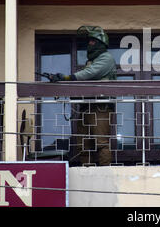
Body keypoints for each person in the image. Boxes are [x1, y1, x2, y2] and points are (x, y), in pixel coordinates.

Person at [49, 26, 117, 166]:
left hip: (100, 108)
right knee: (83, 145)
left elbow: (89, 74)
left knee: (101, 143)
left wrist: (68, 77)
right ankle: (86, 171)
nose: (89, 44)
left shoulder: (106, 58)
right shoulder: (90, 62)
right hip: (86, 107)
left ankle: (105, 173)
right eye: (89, 41)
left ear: (100, 43)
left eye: (92, 41)